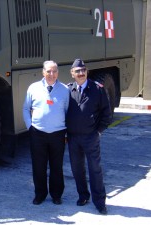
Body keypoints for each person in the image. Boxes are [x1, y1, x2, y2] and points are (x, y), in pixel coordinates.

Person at [66, 59, 112, 215]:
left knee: (95, 169)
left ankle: (99, 202)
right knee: (77, 169)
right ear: (72, 74)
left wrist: (99, 131)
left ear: (87, 71)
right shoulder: (68, 90)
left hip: (90, 137)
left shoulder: (97, 89)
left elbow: (106, 113)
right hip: (73, 138)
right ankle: (83, 196)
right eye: (77, 71)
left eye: (83, 70)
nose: (81, 73)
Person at [23, 60, 69, 205]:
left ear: (58, 73)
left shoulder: (64, 90)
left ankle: (56, 195)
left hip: (58, 134)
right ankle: (40, 194)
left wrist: (67, 132)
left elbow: (68, 112)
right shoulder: (33, 88)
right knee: (38, 166)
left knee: (57, 166)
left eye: (54, 71)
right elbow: (25, 108)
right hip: (38, 133)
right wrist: (30, 126)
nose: (51, 74)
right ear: (43, 72)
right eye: (48, 71)